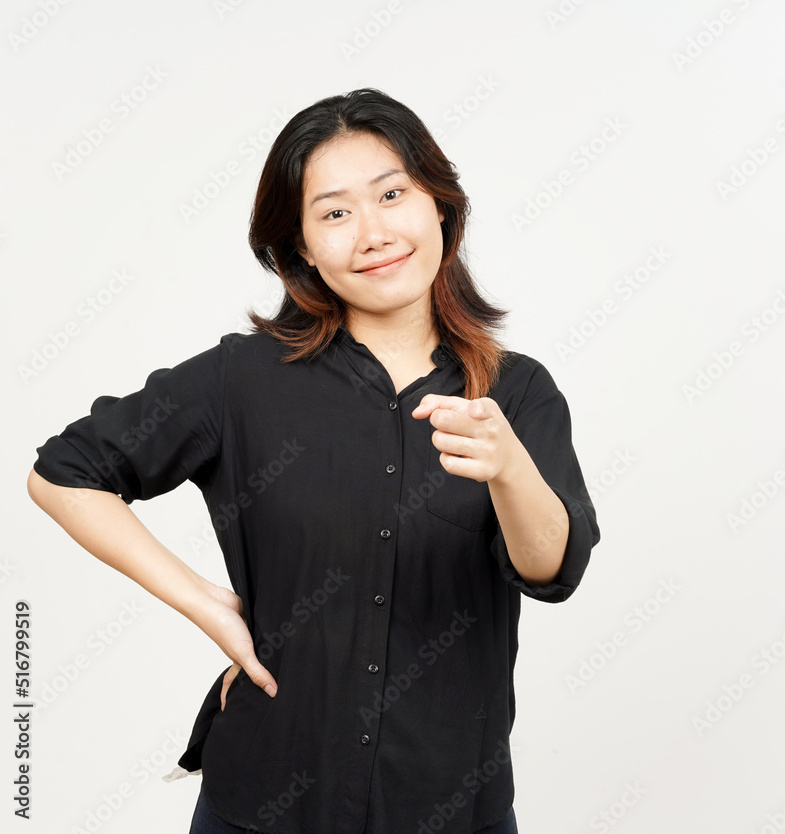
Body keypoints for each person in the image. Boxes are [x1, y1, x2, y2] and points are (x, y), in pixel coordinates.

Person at [27, 88, 600, 834]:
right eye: (334, 213)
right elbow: (64, 472)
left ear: (439, 206)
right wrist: (207, 605)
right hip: (262, 799)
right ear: (299, 246)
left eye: (392, 194)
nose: (373, 233)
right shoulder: (242, 378)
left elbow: (552, 569)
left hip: (450, 806)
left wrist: (510, 469)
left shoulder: (516, 391)